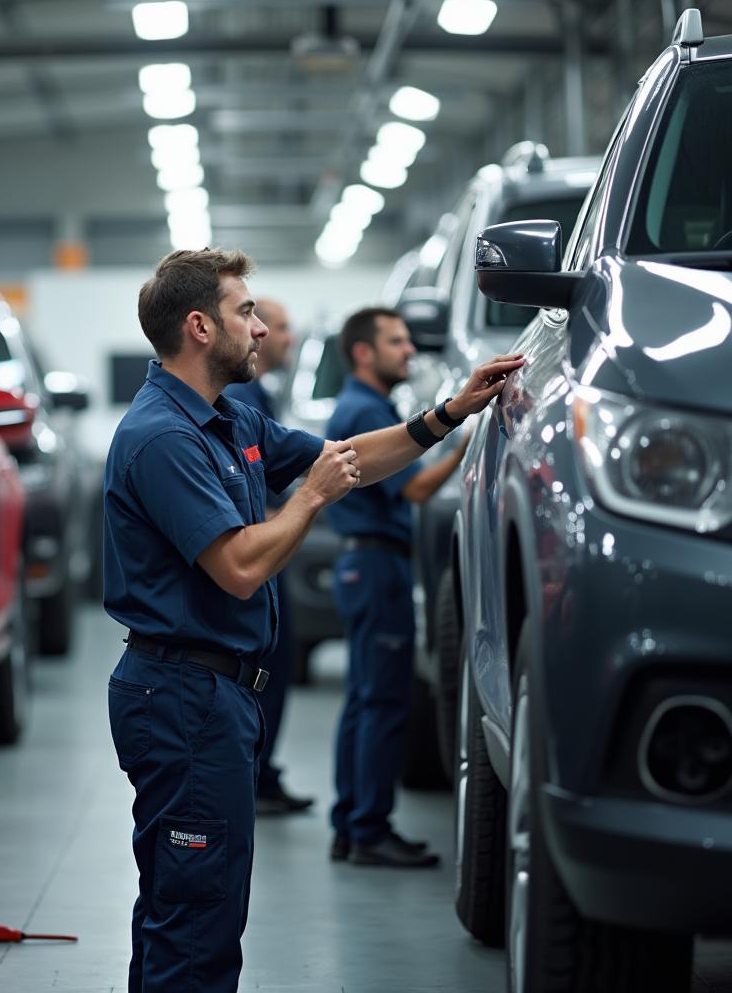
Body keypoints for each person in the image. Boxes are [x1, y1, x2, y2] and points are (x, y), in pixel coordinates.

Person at [102, 249, 523, 993]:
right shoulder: (163, 437)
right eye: (246, 313)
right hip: (182, 699)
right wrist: (309, 499)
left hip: (210, 695)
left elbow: (347, 456)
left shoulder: (227, 419)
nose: (261, 329)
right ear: (199, 327)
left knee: (193, 901)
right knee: (196, 913)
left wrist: (448, 414)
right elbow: (237, 566)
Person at [326, 307, 471, 869]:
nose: (409, 350)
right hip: (378, 568)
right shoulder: (362, 409)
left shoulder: (365, 406)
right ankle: (370, 829)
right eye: (396, 341)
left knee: (364, 700)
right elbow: (413, 491)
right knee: (383, 702)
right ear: (364, 352)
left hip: (365, 568)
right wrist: (463, 441)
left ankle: (351, 824)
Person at [224, 298, 312, 815]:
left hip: (269, 558)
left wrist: (441, 419)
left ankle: (263, 770)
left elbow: (315, 455)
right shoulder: (239, 402)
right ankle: (256, 772)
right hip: (257, 562)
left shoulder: (255, 399)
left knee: (277, 662)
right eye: (276, 326)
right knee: (265, 665)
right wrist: (309, 497)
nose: (275, 336)